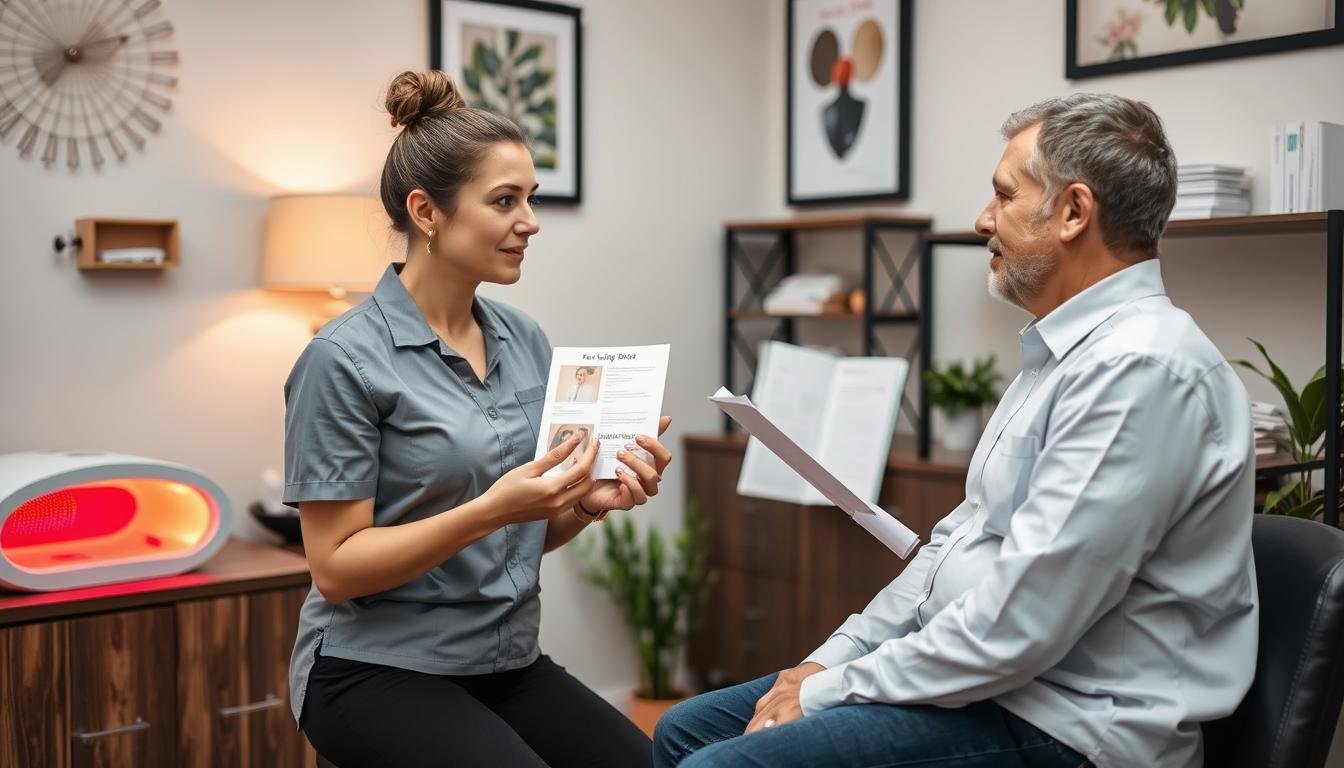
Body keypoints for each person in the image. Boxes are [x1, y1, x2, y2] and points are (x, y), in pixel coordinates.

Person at [655, 93, 1257, 768]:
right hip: (988, 686)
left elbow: (1017, 629)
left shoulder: (1144, 371)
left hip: (1072, 724)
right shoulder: (1060, 355)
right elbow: (952, 547)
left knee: (721, 765)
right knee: (687, 730)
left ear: (1073, 213)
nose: (982, 219)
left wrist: (832, 693)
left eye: (1003, 196)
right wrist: (828, 662)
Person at [284, 70, 672, 768]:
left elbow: (522, 532)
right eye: (505, 201)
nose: (530, 222)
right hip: (374, 669)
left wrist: (585, 505)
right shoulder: (341, 359)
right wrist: (491, 510)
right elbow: (336, 569)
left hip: (506, 660)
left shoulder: (526, 341)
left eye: (531, 199)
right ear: (427, 213)